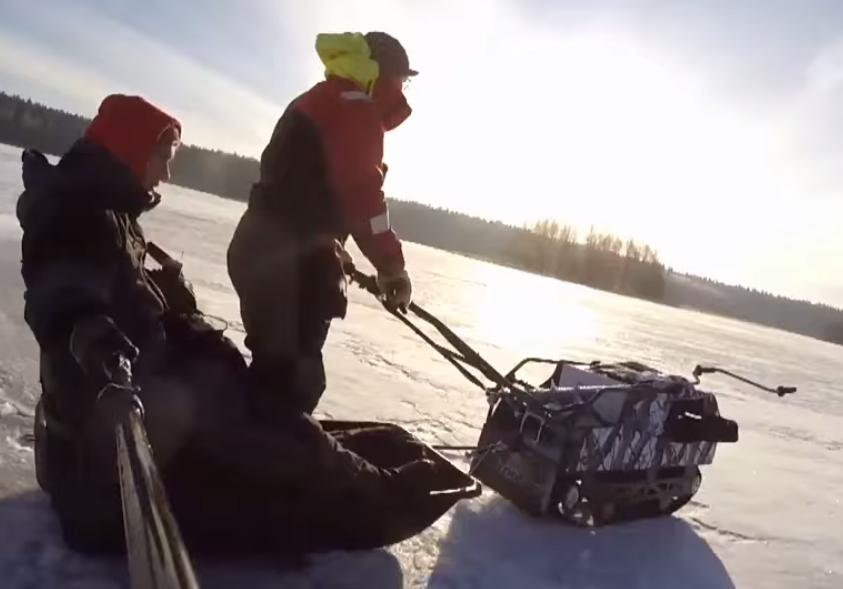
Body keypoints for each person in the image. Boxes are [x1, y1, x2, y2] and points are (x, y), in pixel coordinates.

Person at [18, 93, 442, 555]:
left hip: (143, 395)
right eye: (162, 157)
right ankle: (376, 496)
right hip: (111, 442)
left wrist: (163, 300)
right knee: (254, 429)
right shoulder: (72, 214)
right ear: (128, 149)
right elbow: (63, 290)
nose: (166, 173)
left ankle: (344, 470)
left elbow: (112, 287)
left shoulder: (102, 208)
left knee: (253, 406)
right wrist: (95, 337)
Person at [227, 31, 416, 416]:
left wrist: (331, 245)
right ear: (382, 74)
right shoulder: (355, 109)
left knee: (275, 377)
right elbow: (363, 197)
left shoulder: (318, 98)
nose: (404, 89)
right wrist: (392, 268)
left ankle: (239, 455)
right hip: (288, 268)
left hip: (261, 249)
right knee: (289, 386)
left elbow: (304, 190)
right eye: (402, 79)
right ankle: (254, 469)